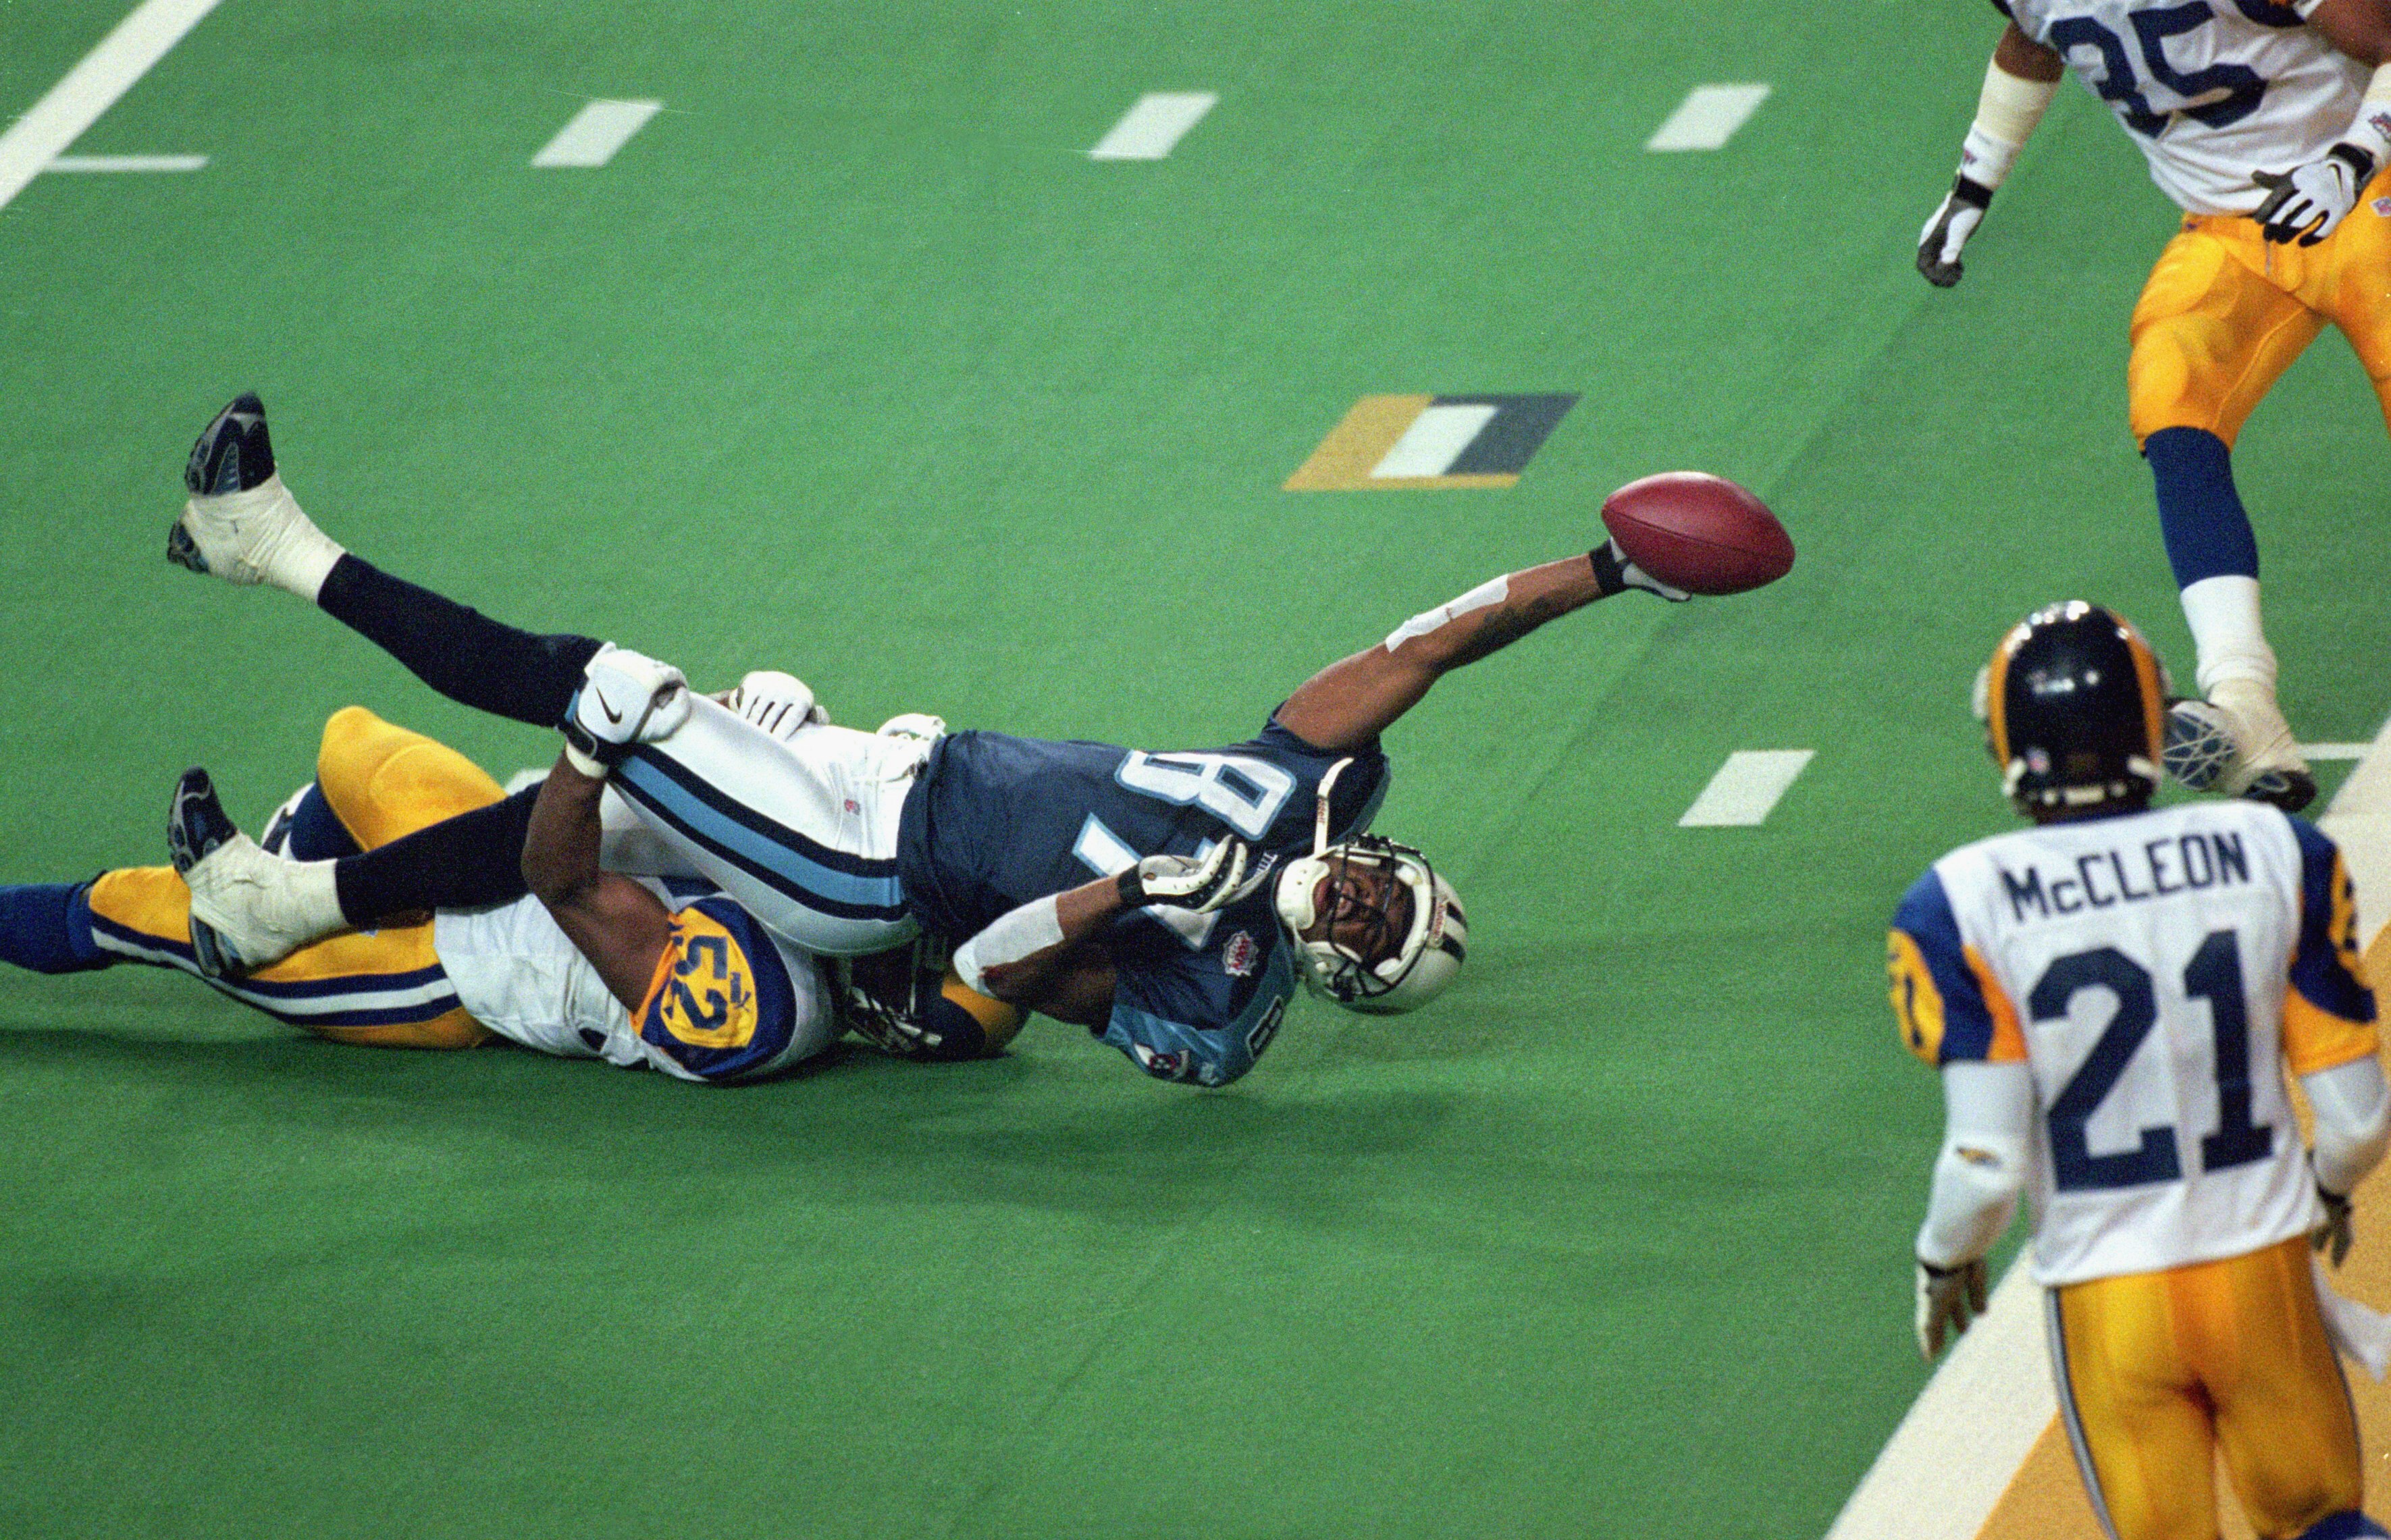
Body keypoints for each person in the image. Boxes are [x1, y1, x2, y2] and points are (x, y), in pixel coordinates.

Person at [155, 394, 1689, 1087]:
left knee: (602, 697)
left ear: (1339, 977)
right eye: (1381, 888)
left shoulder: (1215, 994)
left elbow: (997, 971)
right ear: (1383, 850)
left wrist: (1131, 895)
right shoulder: (1302, 787)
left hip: (864, 862)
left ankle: (272, 545)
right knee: (582, 820)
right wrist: (1605, 569)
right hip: (897, 769)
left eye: (1366, 934)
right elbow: (1428, 645)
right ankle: (282, 903)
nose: (1352, 901)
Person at [1891, 601, 2391, 1540]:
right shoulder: (2272, 849)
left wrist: (1944, 1258)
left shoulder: (1961, 897)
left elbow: (1984, 1167)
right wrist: (2327, 1191)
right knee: (2326, 1537)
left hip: (2110, 1297)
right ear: (2156, 726)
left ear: (2005, 743)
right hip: (2259, 1268)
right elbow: (2356, 1118)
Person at [1916, 0, 2391, 812]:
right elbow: (2034, 39)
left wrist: (2350, 157)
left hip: (2368, 192)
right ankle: (2244, 701)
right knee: (2174, 409)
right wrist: (1974, 182)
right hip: (2229, 230)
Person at [0, 705, 1019, 1080]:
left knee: (146, 911)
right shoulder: (858, 867)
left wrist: (610, 742)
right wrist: (759, 730)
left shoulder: (765, 1006)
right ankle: (298, 862)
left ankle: (281, 890)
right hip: (487, 833)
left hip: (458, 964)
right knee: (350, 740)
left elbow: (559, 874)